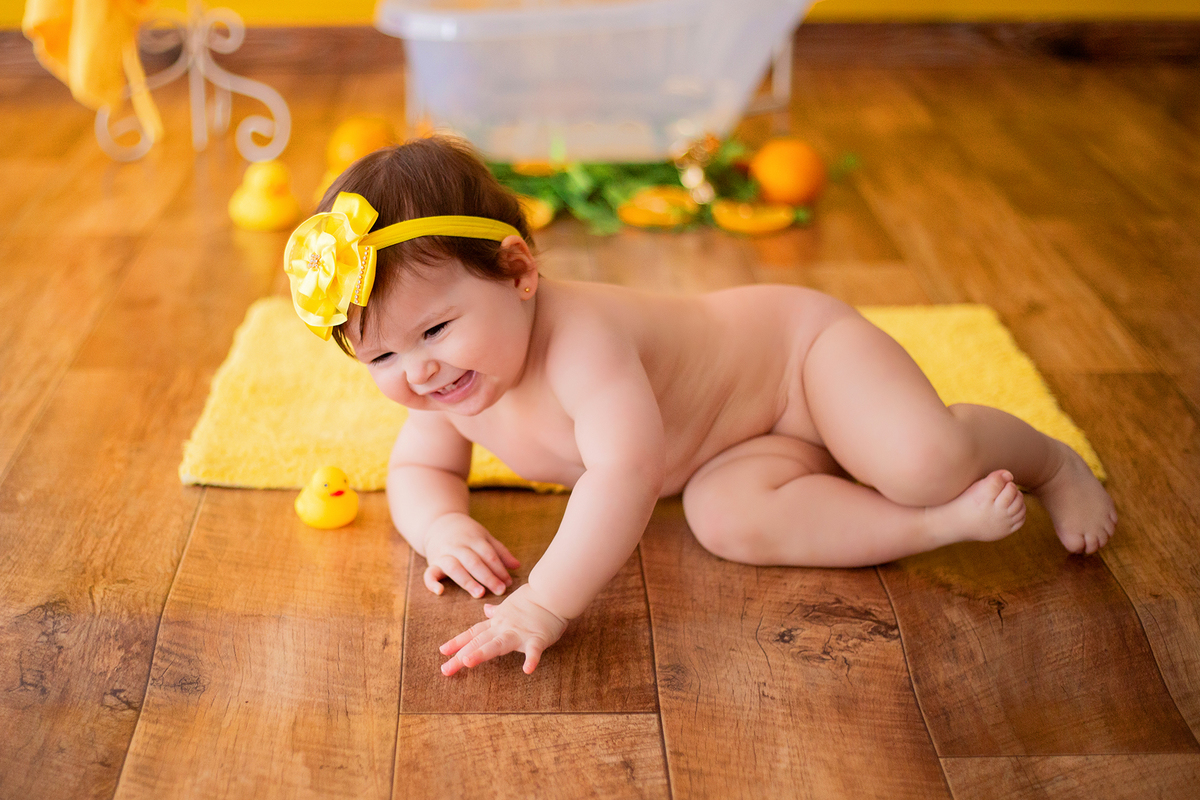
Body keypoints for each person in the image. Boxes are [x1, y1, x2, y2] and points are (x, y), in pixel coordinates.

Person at [283, 136, 1117, 678]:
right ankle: (940, 529)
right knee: (727, 523)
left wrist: (542, 601)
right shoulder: (451, 380)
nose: (418, 373)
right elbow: (419, 466)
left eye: (434, 329)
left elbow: (626, 472)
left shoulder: (583, 341)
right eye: (382, 355)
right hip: (727, 449)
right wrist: (438, 527)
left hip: (795, 361)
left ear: (519, 271)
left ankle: (1047, 459)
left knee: (920, 462)